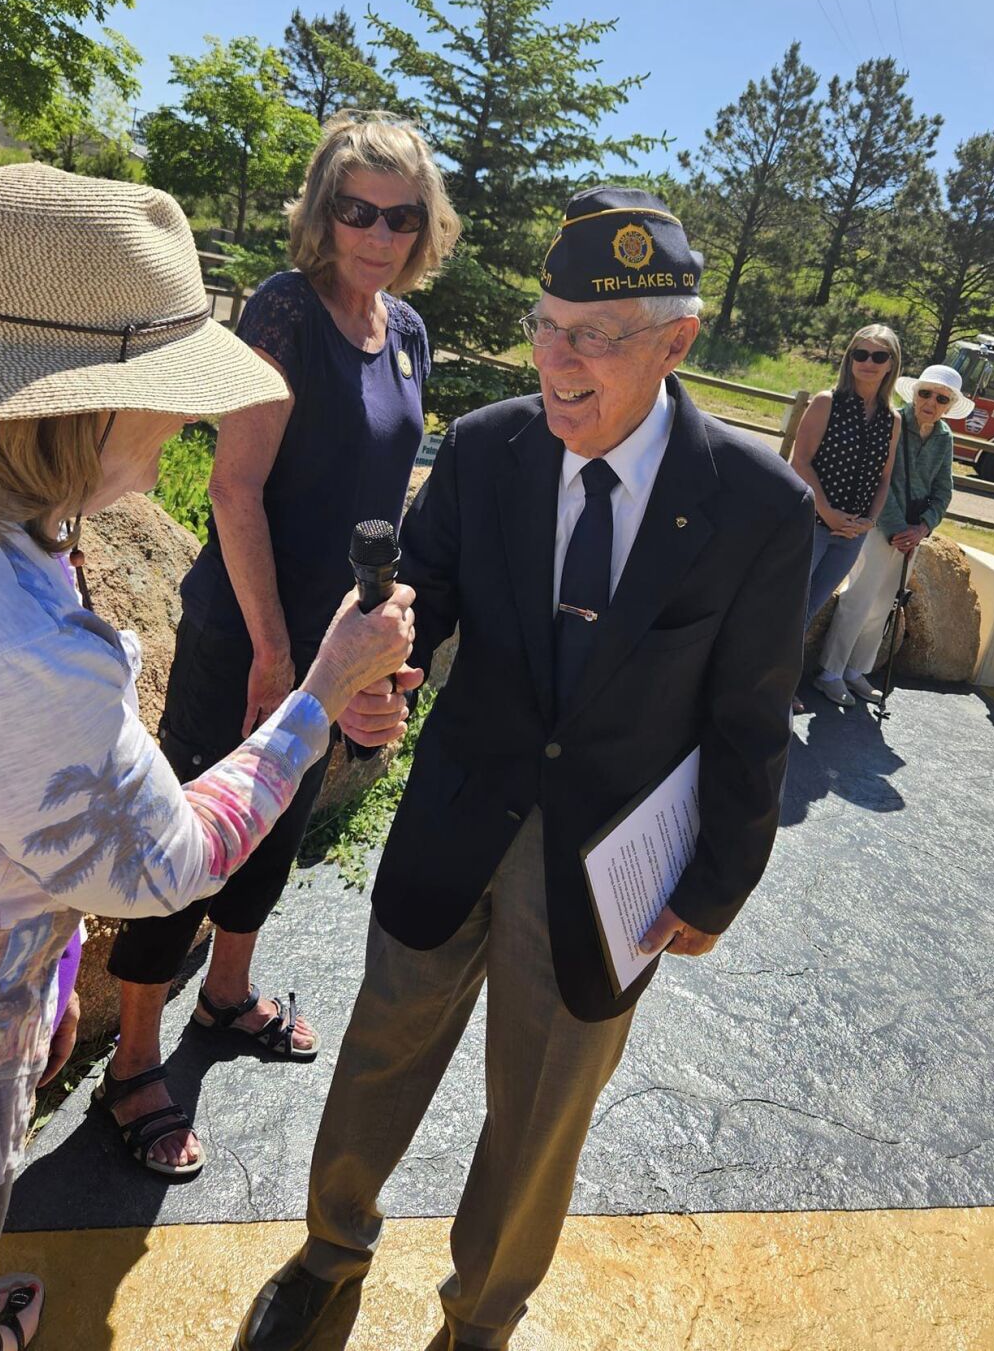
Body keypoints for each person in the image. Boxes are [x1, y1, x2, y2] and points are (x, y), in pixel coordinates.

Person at [231, 188, 814, 1351]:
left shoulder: (760, 508)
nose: (556, 360)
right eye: (547, 324)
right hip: (453, 818)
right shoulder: (489, 444)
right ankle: (327, 1254)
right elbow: (428, 592)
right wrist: (381, 677)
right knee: (378, 1053)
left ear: (676, 342)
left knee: (541, 1115)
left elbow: (752, 716)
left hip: (610, 870)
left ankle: (480, 1321)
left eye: (592, 337)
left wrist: (719, 880)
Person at [0, 164, 416, 1351]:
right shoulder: (10, 644)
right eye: (171, 391)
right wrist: (319, 692)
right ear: (81, 402)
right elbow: (157, 864)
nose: (191, 423)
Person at [104, 111, 459, 1175]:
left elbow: (383, 502)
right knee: (187, 834)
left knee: (283, 817)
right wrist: (272, 650)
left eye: (400, 215)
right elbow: (233, 485)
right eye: (356, 208)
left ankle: (224, 994)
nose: (377, 232)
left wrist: (373, 643)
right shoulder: (283, 312)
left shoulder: (404, 331)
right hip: (242, 631)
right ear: (322, 209)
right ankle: (131, 1060)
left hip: (335, 636)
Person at [813, 362, 970, 706]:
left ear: (949, 404)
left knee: (884, 605)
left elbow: (944, 489)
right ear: (914, 394)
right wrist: (900, 529)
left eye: (940, 398)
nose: (930, 402)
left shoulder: (945, 438)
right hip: (879, 527)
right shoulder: (893, 421)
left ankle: (857, 670)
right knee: (858, 600)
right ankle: (830, 672)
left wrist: (924, 526)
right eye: (924, 393)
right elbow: (880, 481)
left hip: (912, 534)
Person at [790, 325, 901, 709]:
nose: (868, 363)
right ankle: (767, 686)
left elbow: (884, 479)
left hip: (852, 534)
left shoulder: (892, 419)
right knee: (790, 607)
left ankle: (780, 685)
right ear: (849, 358)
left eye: (879, 356)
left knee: (811, 607)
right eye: (860, 354)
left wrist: (869, 521)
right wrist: (828, 513)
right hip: (812, 525)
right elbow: (800, 462)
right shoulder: (826, 402)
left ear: (891, 365)